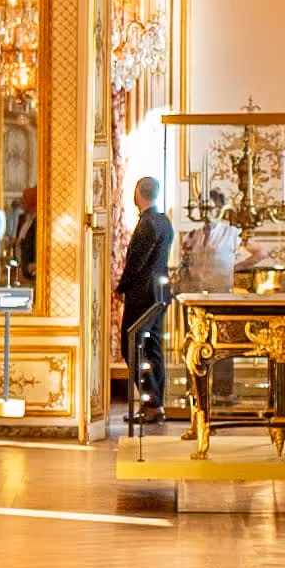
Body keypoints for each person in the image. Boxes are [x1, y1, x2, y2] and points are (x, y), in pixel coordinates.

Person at [116, 173, 175, 415]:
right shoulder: (164, 221)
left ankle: (152, 402)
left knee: (131, 345)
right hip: (160, 293)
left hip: (143, 295)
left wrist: (121, 287)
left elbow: (137, 262)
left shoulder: (148, 223)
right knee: (153, 348)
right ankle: (156, 402)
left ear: (138, 193)